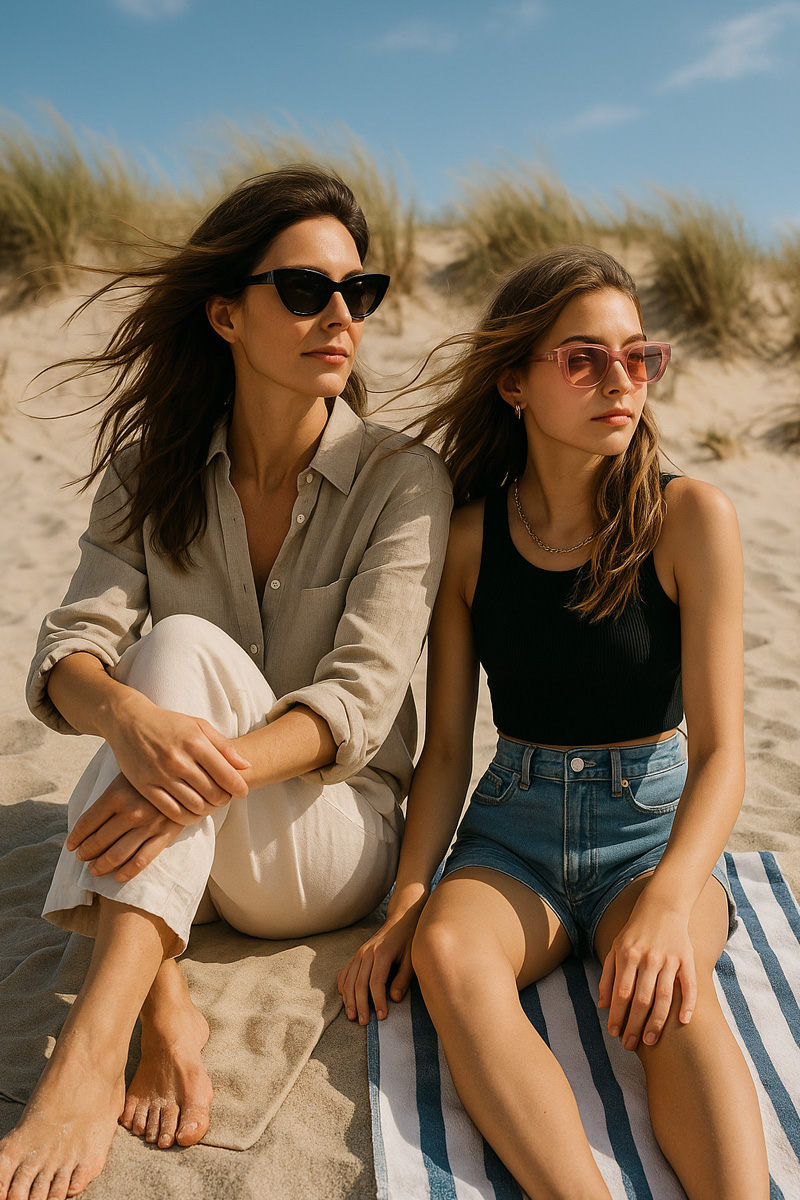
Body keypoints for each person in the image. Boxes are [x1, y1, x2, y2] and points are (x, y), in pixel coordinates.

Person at [0, 165, 451, 1200]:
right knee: (159, 671)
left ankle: (86, 1054)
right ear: (226, 315)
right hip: (197, 842)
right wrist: (128, 720)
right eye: (303, 289)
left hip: (331, 838)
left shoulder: (401, 479)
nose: (339, 316)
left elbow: (358, 704)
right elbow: (68, 651)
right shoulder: (149, 467)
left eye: (358, 292)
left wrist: (180, 761)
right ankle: (159, 1004)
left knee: (176, 659)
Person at [339, 245, 769, 1199]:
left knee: (670, 993)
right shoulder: (468, 538)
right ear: (515, 383)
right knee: (449, 957)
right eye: (583, 359)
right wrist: (408, 903)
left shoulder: (690, 519)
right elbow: (446, 752)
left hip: (651, 835)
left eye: (637, 356)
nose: (621, 380)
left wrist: (669, 902)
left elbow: (723, 753)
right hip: (514, 832)